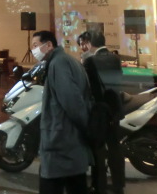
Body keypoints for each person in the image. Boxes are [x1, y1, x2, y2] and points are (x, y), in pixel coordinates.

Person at [31, 30, 91, 194]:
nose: (33, 50)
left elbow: (72, 102)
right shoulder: (64, 60)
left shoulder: (59, 64)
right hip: (69, 142)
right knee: (75, 184)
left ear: (49, 45)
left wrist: (84, 126)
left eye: (36, 45)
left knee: (52, 185)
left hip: (61, 141)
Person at [82, 32, 124, 194]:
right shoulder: (115, 58)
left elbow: (87, 85)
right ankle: (118, 185)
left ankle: (99, 186)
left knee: (99, 149)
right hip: (115, 108)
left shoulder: (90, 61)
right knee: (115, 148)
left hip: (99, 110)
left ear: (89, 43)